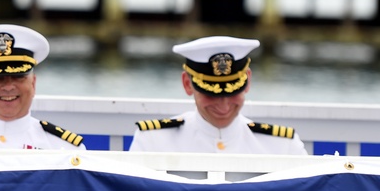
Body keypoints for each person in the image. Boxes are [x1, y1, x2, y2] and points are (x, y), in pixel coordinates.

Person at [129, 36, 307, 154]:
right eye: (211, 94)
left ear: (248, 81)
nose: (223, 105)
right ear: (187, 84)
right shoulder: (152, 142)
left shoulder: (283, 146)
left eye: (233, 91)